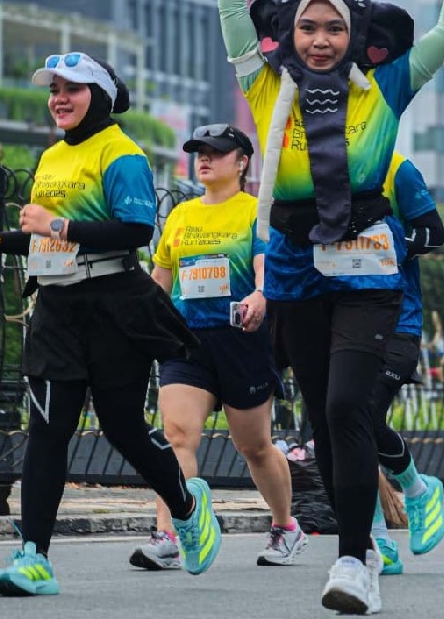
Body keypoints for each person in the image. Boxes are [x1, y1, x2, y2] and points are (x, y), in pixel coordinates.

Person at [220, 0, 444, 615]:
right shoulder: (264, 83)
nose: (323, 38)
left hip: (368, 262)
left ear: (357, 33)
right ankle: (364, 543)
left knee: (344, 407)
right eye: (308, 25)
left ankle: (352, 562)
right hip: (297, 262)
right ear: (289, 33)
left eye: (336, 26)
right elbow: (231, 9)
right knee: (318, 414)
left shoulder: (390, 83)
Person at [0, 52, 222, 596]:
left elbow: (134, 230)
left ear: (99, 97)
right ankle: (33, 557)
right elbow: (45, 240)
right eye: (54, 89)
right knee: (48, 431)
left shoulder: (122, 154)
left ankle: (186, 507)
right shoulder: (51, 156)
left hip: (113, 305)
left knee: (122, 427)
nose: (59, 98)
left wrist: (57, 222)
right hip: (58, 310)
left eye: (72, 89)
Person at [129, 123, 308, 571]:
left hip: (240, 341)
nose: (204, 159)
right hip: (186, 341)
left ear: (242, 162)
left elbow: (265, 265)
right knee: (177, 436)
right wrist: (139, 323)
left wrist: (260, 296)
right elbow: (162, 277)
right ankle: (173, 532)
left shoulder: (254, 211)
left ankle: (286, 526)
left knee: (255, 447)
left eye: (217, 151)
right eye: (199, 152)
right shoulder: (182, 215)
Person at [369, 153, 444, 576]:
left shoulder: (396, 167)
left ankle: (417, 491)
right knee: (340, 426)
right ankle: (378, 543)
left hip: (397, 321)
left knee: (359, 415)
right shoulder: (310, 172)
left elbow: (434, 233)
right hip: (338, 320)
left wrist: (384, 246)